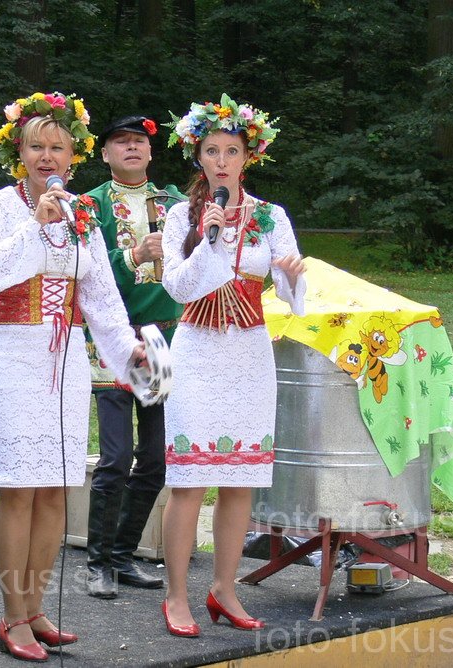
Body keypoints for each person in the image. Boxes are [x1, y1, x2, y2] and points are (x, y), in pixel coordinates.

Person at [0, 92, 145, 662]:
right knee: (19, 487)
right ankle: (11, 616)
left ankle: (38, 608)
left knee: (55, 488)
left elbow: (102, 300)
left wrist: (133, 357)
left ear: (74, 157)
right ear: (18, 153)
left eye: (57, 149)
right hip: (7, 354)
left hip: (64, 358)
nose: (47, 158)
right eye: (36, 147)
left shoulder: (85, 218)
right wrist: (34, 228)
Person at [158, 94, 306, 637]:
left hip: (247, 352)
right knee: (191, 480)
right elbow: (177, 285)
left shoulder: (271, 216)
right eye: (212, 150)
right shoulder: (183, 216)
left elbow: (292, 295)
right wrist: (210, 238)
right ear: (199, 157)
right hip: (196, 349)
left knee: (240, 479)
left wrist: (290, 271)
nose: (222, 160)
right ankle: (176, 595)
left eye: (232, 150)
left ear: (249, 157)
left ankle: (224, 588)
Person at [83, 116, 186, 599]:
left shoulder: (177, 204)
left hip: (165, 341)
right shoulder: (90, 206)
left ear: (150, 152)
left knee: (156, 459)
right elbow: (87, 274)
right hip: (112, 340)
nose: (131, 148)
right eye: (120, 142)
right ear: (104, 154)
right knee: (116, 456)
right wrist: (135, 256)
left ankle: (124, 557)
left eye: (139, 142)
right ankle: (97, 563)